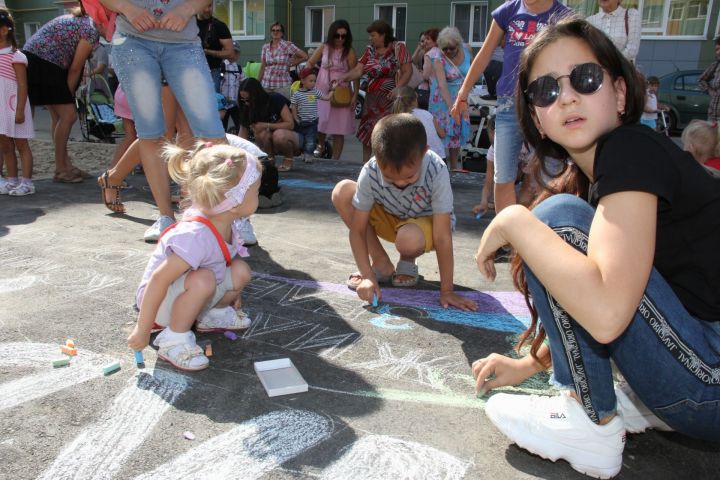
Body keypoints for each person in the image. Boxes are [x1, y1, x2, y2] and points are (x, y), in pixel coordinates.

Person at [471, 18, 720, 478]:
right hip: (702, 374)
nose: (565, 96)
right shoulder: (607, 175)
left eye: (584, 79)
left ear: (621, 94)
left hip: (709, 378)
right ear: (537, 118)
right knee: (560, 225)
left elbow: (605, 315)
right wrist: (530, 364)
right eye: (545, 90)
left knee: (553, 221)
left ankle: (589, 422)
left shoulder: (629, 149)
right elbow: (595, 298)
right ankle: (626, 403)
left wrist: (511, 219)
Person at [98, 0, 228, 241]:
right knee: (153, 132)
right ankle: (166, 216)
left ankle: (232, 216)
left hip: (183, 44)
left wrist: (188, 8)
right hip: (133, 41)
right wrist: (128, 8)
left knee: (211, 131)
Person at [129, 142, 261, 371]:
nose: (258, 195)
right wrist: (142, 329)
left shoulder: (226, 222)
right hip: (158, 308)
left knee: (240, 270)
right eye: (256, 191)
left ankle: (213, 315)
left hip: (187, 292)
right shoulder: (195, 236)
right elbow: (158, 280)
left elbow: (222, 262)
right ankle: (174, 339)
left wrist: (230, 294)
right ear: (235, 201)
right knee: (204, 278)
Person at [331, 113, 478, 311]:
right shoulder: (371, 170)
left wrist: (447, 291)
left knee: (408, 238)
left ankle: (407, 260)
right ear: (377, 157)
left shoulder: (435, 168)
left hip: (426, 226)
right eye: (391, 179)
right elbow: (357, 230)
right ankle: (380, 262)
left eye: (409, 177)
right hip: (391, 218)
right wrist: (367, 276)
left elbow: (442, 236)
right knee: (343, 191)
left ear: (425, 152)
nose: (400, 183)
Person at [452, 0, 571, 214]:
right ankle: (507, 237)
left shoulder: (563, 16)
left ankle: (545, 233)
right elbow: (485, 53)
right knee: (503, 175)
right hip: (509, 103)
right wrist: (463, 93)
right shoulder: (509, 11)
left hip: (545, 104)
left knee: (551, 175)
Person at [23, 7, 100, 184]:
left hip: (37, 60)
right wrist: (68, 97)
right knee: (68, 116)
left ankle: (66, 165)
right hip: (45, 64)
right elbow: (75, 68)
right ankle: (60, 169)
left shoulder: (81, 21)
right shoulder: (91, 31)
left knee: (58, 118)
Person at [341, 19, 412, 163]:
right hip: (372, 98)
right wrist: (343, 78)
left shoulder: (398, 48)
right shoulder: (370, 50)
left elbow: (408, 71)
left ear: (383, 35)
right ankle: (365, 164)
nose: (370, 38)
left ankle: (386, 164)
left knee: (388, 132)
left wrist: (398, 88)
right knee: (368, 132)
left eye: (373, 35)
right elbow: (358, 70)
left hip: (390, 98)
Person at [304, 19, 359, 160]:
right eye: (337, 35)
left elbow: (356, 74)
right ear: (331, 34)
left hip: (341, 91)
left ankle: (335, 160)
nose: (340, 39)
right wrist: (305, 78)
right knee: (320, 122)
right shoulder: (324, 47)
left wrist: (355, 95)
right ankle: (321, 146)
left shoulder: (350, 51)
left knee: (339, 128)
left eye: (343, 36)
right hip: (322, 88)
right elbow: (310, 63)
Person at [0, 8, 35, 196]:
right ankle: (12, 180)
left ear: (5, 30)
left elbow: (22, 85)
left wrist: (20, 109)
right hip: (1, 109)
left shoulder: (17, 56)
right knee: (5, 144)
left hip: (14, 106)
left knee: (22, 144)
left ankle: (27, 182)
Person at [237, 77, 299, 172]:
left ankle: (288, 158)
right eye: (242, 99)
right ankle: (269, 160)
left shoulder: (275, 99)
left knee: (278, 135)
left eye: (248, 99)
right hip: (269, 141)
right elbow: (242, 137)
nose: (245, 101)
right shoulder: (246, 107)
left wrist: (265, 125)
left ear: (256, 95)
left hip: (292, 137)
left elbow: (290, 124)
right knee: (261, 134)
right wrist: (237, 156)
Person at [430, 27, 471, 171]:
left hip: (460, 95)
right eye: (444, 48)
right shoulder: (438, 58)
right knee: (443, 132)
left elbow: (470, 74)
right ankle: (441, 166)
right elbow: (441, 85)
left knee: (457, 131)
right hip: (442, 99)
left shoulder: (467, 50)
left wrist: (464, 97)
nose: (447, 51)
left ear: (458, 44)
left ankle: (454, 166)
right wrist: (451, 107)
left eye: (451, 48)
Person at [392, 86, 445, 159]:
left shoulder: (399, 120)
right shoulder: (427, 114)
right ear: (415, 100)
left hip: (418, 159)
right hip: (439, 157)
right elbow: (442, 134)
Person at [291, 68, 331, 164]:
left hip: (312, 121)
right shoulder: (297, 94)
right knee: (301, 140)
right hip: (301, 122)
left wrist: (333, 89)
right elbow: (293, 107)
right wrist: (295, 118)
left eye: (314, 81)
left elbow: (326, 98)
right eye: (311, 81)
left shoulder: (315, 91)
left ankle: (308, 154)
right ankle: (303, 153)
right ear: (303, 80)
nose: (313, 83)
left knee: (311, 140)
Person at [258, 21, 307, 99]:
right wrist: (258, 82)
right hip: (266, 84)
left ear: (282, 33)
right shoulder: (265, 47)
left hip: (282, 85)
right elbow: (263, 66)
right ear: (271, 33)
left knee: (286, 108)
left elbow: (304, 56)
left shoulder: (287, 45)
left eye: (278, 30)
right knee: (267, 109)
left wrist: (292, 63)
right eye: (273, 30)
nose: (275, 32)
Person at [197, 1, 233, 93]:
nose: (208, 10)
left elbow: (230, 52)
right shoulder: (189, 24)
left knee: (212, 104)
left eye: (210, 6)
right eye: (205, 6)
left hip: (212, 71)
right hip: (191, 71)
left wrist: (208, 52)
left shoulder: (219, 26)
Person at [472, 114, 495, 218]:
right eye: (490, 132)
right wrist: (484, 202)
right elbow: (488, 181)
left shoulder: (523, 147)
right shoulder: (492, 150)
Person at [221, 41, 243, 133]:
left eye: (236, 52)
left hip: (235, 103)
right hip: (223, 103)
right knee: (222, 126)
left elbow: (243, 82)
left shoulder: (238, 68)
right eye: (231, 52)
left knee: (239, 125)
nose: (233, 55)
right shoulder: (221, 66)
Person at [417, 28, 441, 110]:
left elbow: (426, 76)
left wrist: (420, 73)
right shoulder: (442, 53)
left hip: (433, 89)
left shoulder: (429, 54)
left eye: (428, 39)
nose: (425, 41)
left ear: (435, 40)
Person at [699, 36, 720, 122]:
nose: (718, 52)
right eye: (716, 49)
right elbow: (701, 80)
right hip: (713, 117)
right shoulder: (715, 65)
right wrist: (710, 91)